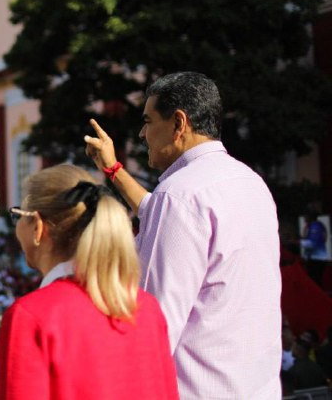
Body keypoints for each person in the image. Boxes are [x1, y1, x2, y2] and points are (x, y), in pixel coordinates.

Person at [84, 71, 281, 399]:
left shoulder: (179, 195)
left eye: (148, 121)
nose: (143, 133)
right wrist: (113, 170)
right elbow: (160, 213)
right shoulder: (250, 183)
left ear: (178, 123)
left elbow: (154, 325)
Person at [0, 164, 178, 399]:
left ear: (38, 227)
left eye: (18, 215)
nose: (16, 225)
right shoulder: (147, 308)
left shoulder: (31, 315)